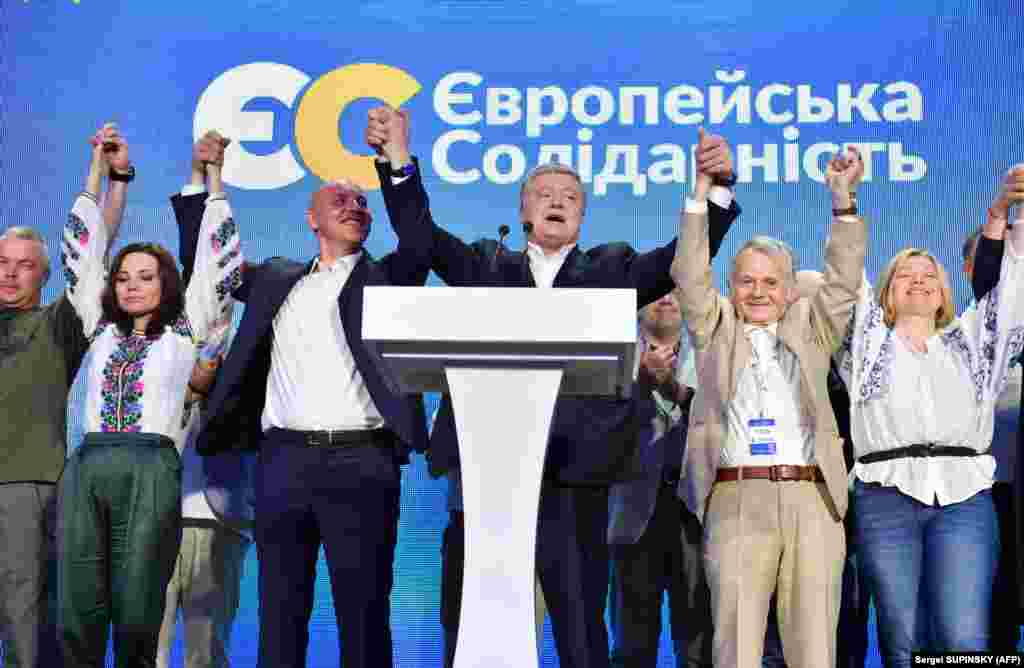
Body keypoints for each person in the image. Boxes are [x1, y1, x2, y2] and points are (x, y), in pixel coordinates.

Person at [365, 106, 739, 668]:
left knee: (580, 630)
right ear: (522, 210)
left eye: (570, 195)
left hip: (575, 478)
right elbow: (420, 236)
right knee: (472, 623)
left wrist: (709, 193)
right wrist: (397, 160)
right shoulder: (487, 265)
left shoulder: (610, 268)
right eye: (544, 193)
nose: (558, 200)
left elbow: (679, 264)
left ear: (583, 214)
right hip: (488, 475)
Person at [191, 145, 430, 668]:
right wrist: (204, 180)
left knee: (363, 615)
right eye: (341, 199)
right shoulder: (278, 279)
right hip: (283, 463)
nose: (355, 207)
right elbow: (212, 266)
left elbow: (419, 239)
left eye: (363, 203)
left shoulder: (387, 279)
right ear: (312, 218)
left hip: (363, 462)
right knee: (280, 612)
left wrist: (396, 161)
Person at [673, 145, 866, 668]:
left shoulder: (813, 327)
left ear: (789, 289)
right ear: (732, 287)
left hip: (811, 498)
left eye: (771, 281)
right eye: (746, 280)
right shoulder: (715, 329)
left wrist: (843, 204)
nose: (758, 291)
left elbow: (844, 283)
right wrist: (698, 194)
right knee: (734, 648)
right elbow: (690, 275)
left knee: (813, 651)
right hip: (736, 497)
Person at [56, 128, 243, 668]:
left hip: (153, 463)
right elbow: (81, 251)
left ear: (168, 283)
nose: (131, 285)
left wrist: (214, 177)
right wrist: (97, 170)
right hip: (88, 461)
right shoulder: (99, 326)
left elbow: (219, 263)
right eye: (123, 278)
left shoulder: (188, 326)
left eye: (146, 276)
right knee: (77, 603)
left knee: (140, 602)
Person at [839, 164, 1024, 666]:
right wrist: (844, 203)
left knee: (966, 641)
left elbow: (1012, 286)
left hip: (965, 498)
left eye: (929, 277)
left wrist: (1011, 210)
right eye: (905, 275)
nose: (918, 282)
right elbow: (844, 276)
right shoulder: (866, 341)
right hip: (885, 499)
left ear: (945, 292)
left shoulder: (973, 340)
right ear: (886, 292)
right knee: (903, 641)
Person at [0, 123, 126, 668]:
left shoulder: (58, 323)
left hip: (24, 485)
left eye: (24, 265)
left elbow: (93, 252)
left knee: (26, 624)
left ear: (45, 276)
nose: (10, 274)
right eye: (2, 264)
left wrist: (107, 175)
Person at [156, 134, 253, 668]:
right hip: (150, 510)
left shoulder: (251, 334)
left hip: (215, 513)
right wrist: (201, 177)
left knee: (205, 649)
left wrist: (214, 182)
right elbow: (200, 257)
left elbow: (214, 264)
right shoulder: (152, 336)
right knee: (145, 642)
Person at [606, 301, 722, 668]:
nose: (667, 297)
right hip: (633, 513)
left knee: (697, 644)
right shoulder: (614, 353)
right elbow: (600, 424)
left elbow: (727, 414)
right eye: (658, 290)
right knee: (633, 645)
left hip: (697, 513)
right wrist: (642, 381)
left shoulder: (712, 351)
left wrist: (677, 390)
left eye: (674, 287)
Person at [963, 166, 1024, 653]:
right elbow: (993, 284)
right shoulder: (960, 334)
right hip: (987, 495)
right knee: (989, 616)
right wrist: (1004, 210)